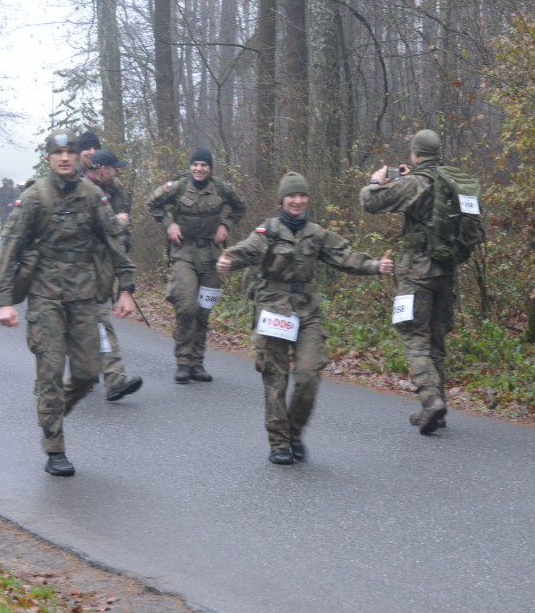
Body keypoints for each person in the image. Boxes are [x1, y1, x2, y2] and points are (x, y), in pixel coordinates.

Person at [217, 172, 394, 464]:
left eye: (302, 196)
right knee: (275, 378)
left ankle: (295, 433)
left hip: (307, 312)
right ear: (282, 200)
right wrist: (227, 262)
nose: (297, 201)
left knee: (309, 375)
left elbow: (344, 257)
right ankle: (279, 443)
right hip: (273, 309)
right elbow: (244, 252)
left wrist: (377, 266)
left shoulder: (316, 233)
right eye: (292, 196)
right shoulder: (268, 231)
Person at [0, 129, 138, 477]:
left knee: (88, 373)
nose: (64, 157)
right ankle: (55, 447)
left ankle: (51, 413)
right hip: (45, 295)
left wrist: (127, 288)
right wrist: (5, 300)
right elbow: (10, 247)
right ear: (48, 158)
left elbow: (114, 242)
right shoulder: (34, 197)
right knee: (51, 371)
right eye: (57, 152)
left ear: (79, 157)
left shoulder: (93, 195)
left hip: (85, 294)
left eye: (69, 152)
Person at [360, 129, 454, 435]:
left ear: (415, 153)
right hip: (447, 272)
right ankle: (438, 410)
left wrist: (377, 181)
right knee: (436, 339)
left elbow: (371, 202)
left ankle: (430, 400)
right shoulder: (450, 180)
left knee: (412, 333)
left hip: (417, 272)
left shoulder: (415, 182)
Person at [146, 148, 247, 383]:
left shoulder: (222, 188)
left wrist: (226, 225)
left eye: (204, 165)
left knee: (203, 310)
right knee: (187, 306)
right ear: (190, 167)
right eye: (195, 164)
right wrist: (169, 224)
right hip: (184, 254)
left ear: (211, 168)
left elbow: (241, 206)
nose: (199, 169)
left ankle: (197, 363)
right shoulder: (179, 187)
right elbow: (152, 202)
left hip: (211, 256)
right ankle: (182, 362)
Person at [82, 148, 143, 402]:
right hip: (72, 274)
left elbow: (116, 244)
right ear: (103, 170)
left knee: (98, 323)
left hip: (99, 272)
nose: (118, 173)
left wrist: (125, 286)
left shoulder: (112, 192)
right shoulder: (80, 193)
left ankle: (114, 378)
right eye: (115, 168)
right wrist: (117, 222)